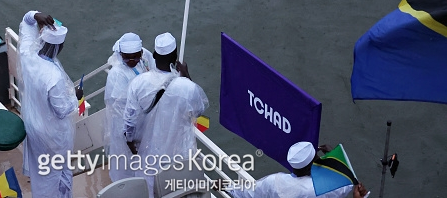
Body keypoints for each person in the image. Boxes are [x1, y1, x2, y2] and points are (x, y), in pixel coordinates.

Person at [18, 11, 82, 198]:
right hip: (53, 136)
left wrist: (35, 15)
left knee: (41, 171)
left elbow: (26, 24)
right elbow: (63, 109)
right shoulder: (53, 76)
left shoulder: (27, 55)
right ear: (59, 46)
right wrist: (76, 96)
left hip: (33, 127)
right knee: (53, 174)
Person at [137, 76, 209, 197]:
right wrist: (188, 76)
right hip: (181, 150)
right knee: (181, 186)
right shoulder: (187, 89)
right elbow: (199, 110)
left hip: (155, 148)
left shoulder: (148, 87)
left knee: (155, 184)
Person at [223, 141, 369, 198]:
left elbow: (248, 192)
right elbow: (348, 181)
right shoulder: (322, 190)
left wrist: (225, 186)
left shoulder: (275, 181)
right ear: (314, 163)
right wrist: (332, 157)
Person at [123, 32, 186, 157]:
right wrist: (187, 76)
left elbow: (130, 118)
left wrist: (129, 140)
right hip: (175, 150)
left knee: (148, 176)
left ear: (154, 55)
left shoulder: (138, 83)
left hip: (147, 148)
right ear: (175, 57)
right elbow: (198, 109)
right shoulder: (184, 85)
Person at [104, 32, 155, 182]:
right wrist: (129, 137)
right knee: (126, 160)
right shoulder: (117, 74)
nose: (131, 60)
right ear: (121, 54)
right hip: (125, 125)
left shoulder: (146, 56)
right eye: (127, 57)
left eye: (135, 56)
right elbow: (121, 110)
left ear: (140, 52)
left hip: (144, 119)